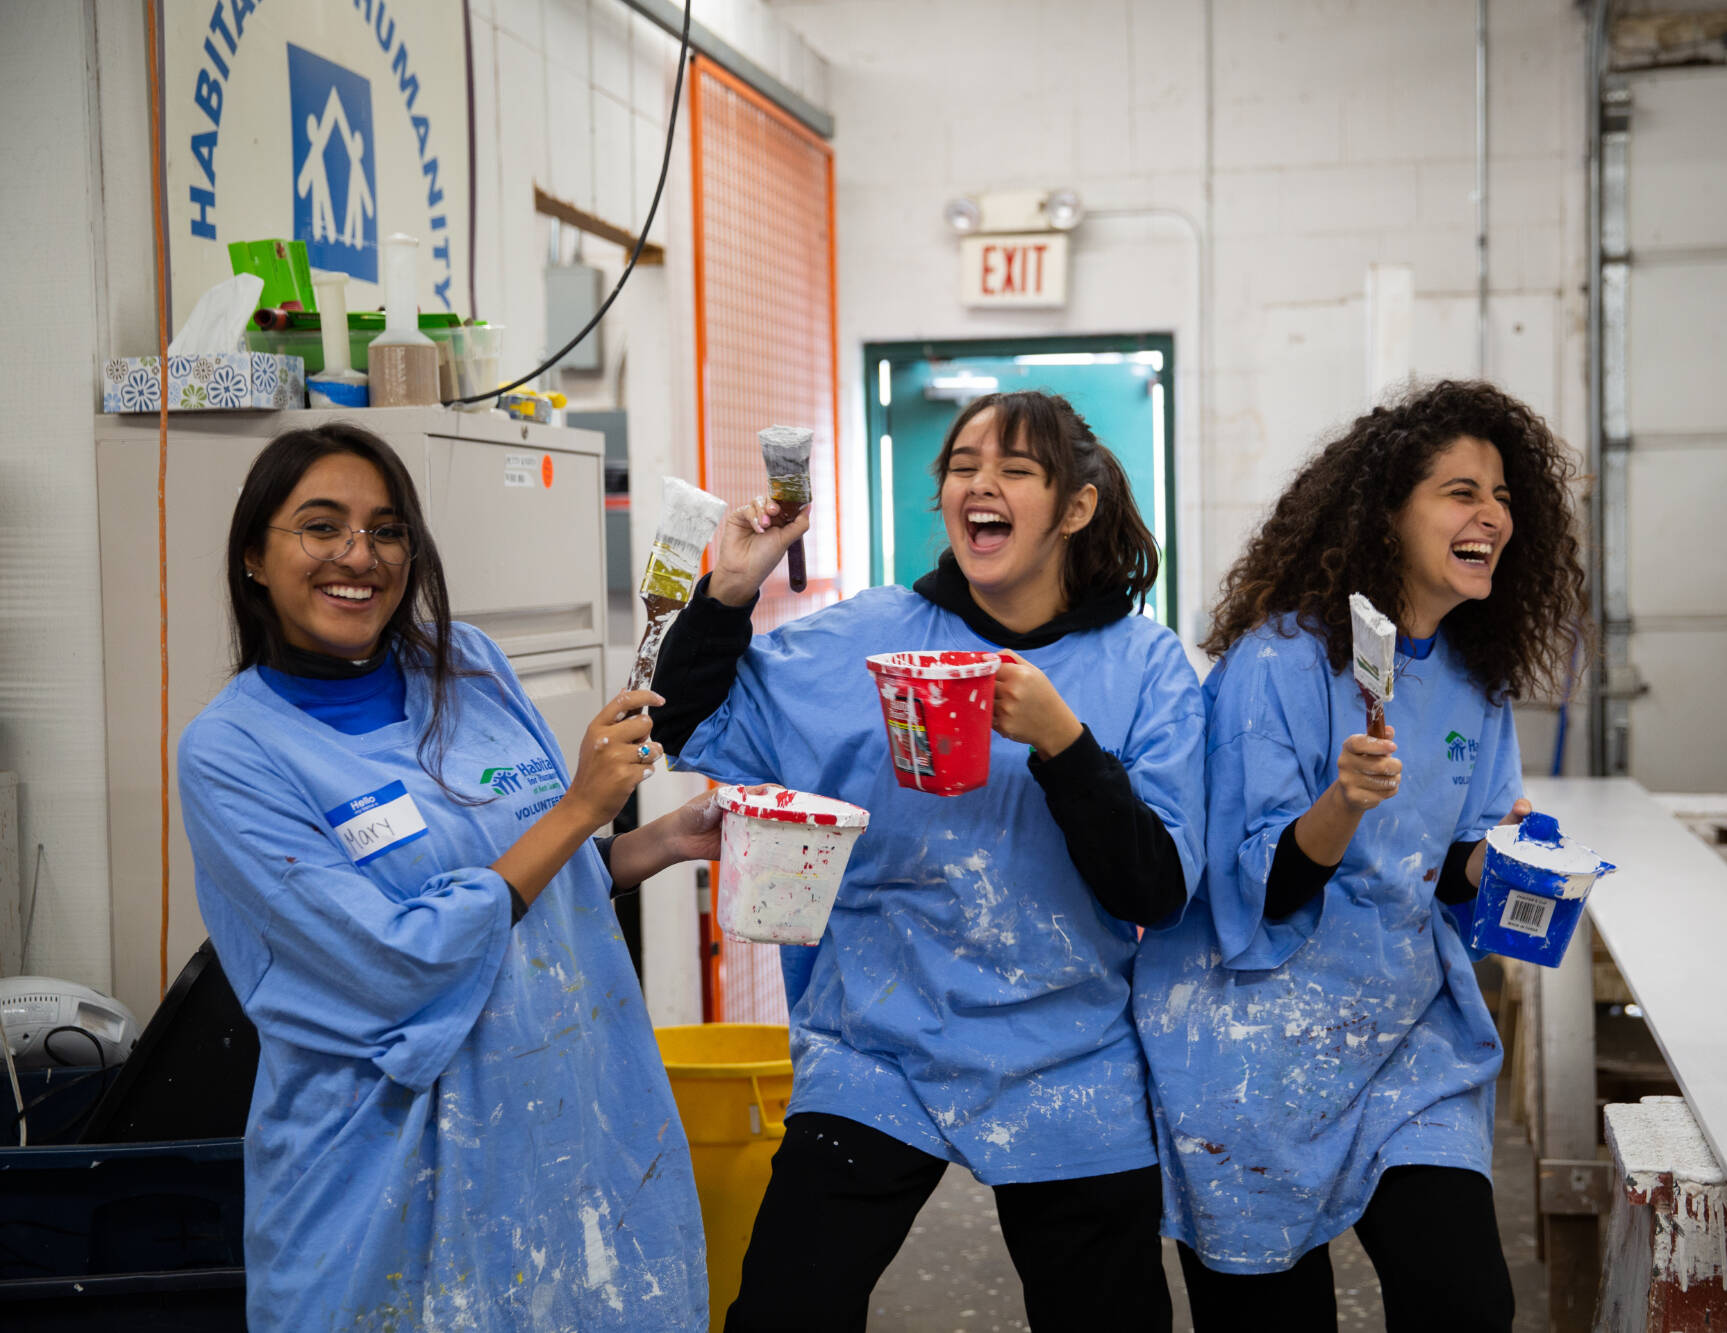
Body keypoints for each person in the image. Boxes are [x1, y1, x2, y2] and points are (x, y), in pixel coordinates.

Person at [649, 390, 1206, 1331]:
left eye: (1016, 470)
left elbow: (1156, 886)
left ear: (1075, 507)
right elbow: (684, 721)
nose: (980, 484)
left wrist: (1065, 745)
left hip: (1067, 1053)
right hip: (879, 1040)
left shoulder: (1144, 668)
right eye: (962, 466)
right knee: (785, 1311)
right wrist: (730, 589)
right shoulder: (866, 636)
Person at [179, 423, 715, 1330]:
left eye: (387, 530)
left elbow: (546, 878)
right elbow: (393, 962)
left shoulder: (467, 663)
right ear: (252, 559)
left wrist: (658, 840)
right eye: (321, 526)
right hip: (387, 1175)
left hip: (569, 1128)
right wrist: (581, 808)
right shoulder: (234, 752)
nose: (360, 554)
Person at [1133, 381, 1587, 1331]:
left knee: (1464, 1299)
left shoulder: (1475, 675)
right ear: (1387, 514)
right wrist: (1342, 802)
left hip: (1403, 1036)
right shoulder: (1277, 663)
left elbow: (1457, 855)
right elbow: (1254, 886)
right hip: (1251, 1041)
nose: (1491, 514)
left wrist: (1504, 860)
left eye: (1502, 495)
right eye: (1460, 491)